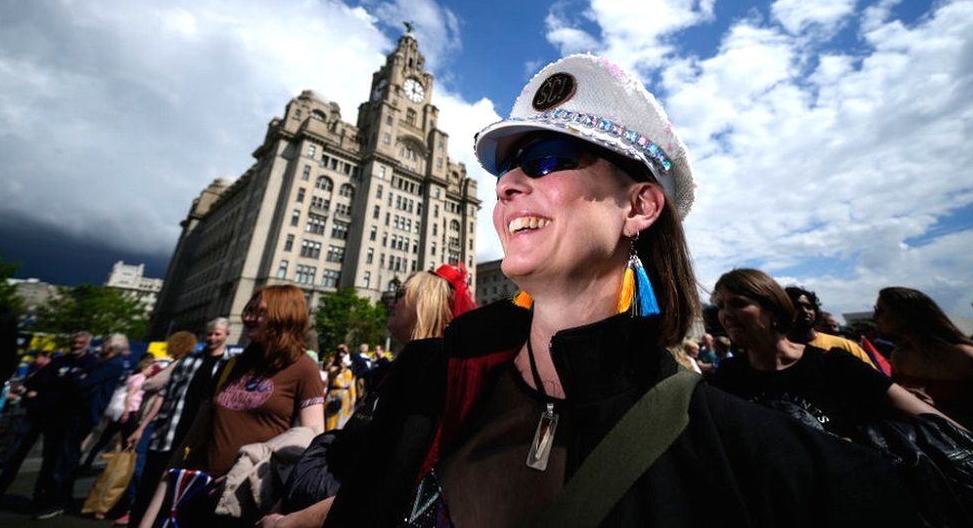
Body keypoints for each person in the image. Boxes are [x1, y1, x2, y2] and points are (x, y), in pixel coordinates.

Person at [324, 55, 920, 527]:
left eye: (548, 159)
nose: (508, 185)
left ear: (639, 206)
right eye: (507, 169)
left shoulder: (754, 458)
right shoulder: (431, 376)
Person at [258, 265, 477, 528]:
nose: (391, 301)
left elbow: (390, 484)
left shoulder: (429, 378)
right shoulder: (391, 372)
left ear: (425, 304)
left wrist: (293, 522)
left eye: (401, 293)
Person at [140, 285, 325, 527]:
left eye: (259, 312)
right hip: (196, 491)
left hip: (244, 502)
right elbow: (191, 439)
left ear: (284, 314)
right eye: (248, 310)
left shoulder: (304, 369)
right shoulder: (233, 365)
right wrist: (151, 514)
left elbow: (312, 441)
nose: (248, 317)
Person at [711, 269, 955, 439]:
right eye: (720, 306)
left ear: (773, 309)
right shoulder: (727, 377)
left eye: (738, 303)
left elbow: (933, 420)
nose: (726, 314)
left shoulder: (833, 364)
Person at [126, 323, 227, 526]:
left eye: (217, 334)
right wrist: (142, 426)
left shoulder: (227, 366)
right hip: (168, 433)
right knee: (148, 487)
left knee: (178, 495)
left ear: (226, 335)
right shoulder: (188, 360)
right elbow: (164, 394)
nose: (212, 337)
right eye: (209, 333)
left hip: (196, 442)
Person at [116, 331, 198, 526]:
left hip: (157, 422)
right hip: (156, 421)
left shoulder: (178, 365)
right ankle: (135, 508)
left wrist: (142, 426)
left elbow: (154, 385)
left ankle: (135, 507)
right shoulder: (178, 365)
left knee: (143, 468)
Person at [875, 287, 973, 429]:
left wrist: (934, 409)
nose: (875, 317)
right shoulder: (900, 358)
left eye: (880, 310)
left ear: (904, 314)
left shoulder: (964, 355)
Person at [32, 331, 98, 520]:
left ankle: (59, 500)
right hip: (54, 418)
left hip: (74, 421)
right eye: (74, 341)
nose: (76, 345)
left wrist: (63, 383)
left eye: (80, 342)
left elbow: (81, 388)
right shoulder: (61, 361)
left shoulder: (91, 363)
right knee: (50, 458)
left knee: (65, 461)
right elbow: (41, 380)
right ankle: (43, 496)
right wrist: (66, 382)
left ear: (87, 344)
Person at [0, 351, 54, 500]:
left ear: (47, 358)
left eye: (40, 358)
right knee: (16, 452)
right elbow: (26, 388)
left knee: (43, 456)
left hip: (43, 416)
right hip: (29, 415)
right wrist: (24, 390)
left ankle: (40, 493)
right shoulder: (36, 372)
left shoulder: (52, 372)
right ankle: (2, 485)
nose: (37, 360)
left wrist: (36, 394)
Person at [784, 286, 876, 368]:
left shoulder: (845, 346)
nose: (805, 311)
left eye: (808, 307)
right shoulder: (776, 352)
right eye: (796, 306)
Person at [324, 349, 355, 431]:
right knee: (331, 422)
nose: (342, 361)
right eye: (340, 358)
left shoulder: (349, 372)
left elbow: (352, 387)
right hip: (333, 397)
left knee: (343, 423)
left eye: (344, 358)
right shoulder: (332, 369)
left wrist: (352, 401)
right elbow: (330, 374)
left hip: (345, 398)